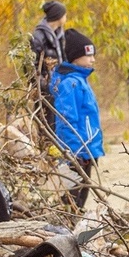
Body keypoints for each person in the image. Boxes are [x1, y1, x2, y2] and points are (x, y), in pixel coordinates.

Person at [50, 28, 104, 210]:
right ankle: (69, 221)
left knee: (85, 190)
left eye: (93, 55)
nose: (93, 59)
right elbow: (67, 120)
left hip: (89, 148)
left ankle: (76, 220)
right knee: (73, 194)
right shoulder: (70, 84)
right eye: (88, 55)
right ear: (75, 57)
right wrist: (75, 151)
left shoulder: (81, 81)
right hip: (78, 151)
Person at [29, 0, 67, 94]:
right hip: (45, 93)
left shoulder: (60, 35)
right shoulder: (38, 37)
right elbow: (31, 67)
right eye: (64, 14)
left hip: (59, 88)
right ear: (58, 16)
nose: (66, 17)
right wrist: (46, 86)